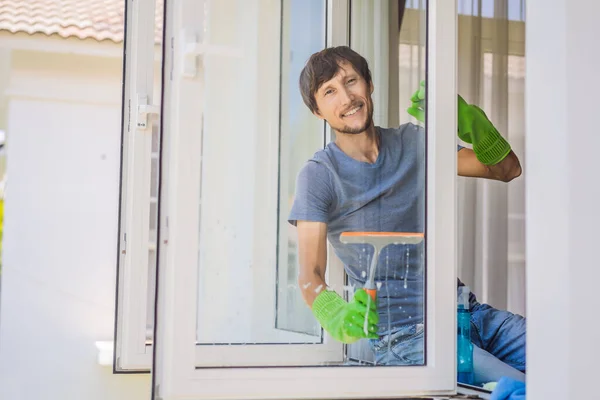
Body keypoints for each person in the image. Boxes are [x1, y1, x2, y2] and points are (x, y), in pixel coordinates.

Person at [287, 46, 526, 385]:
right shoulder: (319, 175)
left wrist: (470, 124)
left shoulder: (414, 143)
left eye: (351, 81)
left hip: (468, 314)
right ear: (317, 111)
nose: (346, 97)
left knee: (574, 354)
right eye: (329, 91)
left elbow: (508, 169)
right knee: (528, 389)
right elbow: (309, 274)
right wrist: (333, 313)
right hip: (404, 335)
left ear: (369, 85)